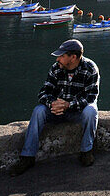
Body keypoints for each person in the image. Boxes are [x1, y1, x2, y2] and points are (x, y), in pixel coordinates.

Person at [9, 38, 99, 175]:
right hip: (56, 110)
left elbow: (91, 97)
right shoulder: (56, 68)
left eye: (62, 56)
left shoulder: (90, 68)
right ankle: (27, 157)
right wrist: (53, 103)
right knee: (39, 111)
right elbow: (44, 92)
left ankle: (86, 152)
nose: (58, 59)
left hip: (77, 111)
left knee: (91, 111)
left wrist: (68, 105)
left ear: (73, 57)